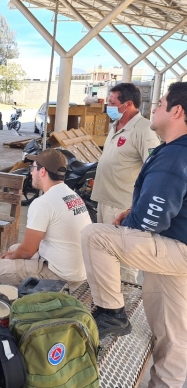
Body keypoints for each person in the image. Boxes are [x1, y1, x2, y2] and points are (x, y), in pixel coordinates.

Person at [81, 82, 187, 388]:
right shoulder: (174, 150)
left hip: (175, 247)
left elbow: (153, 216)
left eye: (162, 103)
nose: (155, 107)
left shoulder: (174, 156)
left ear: (177, 111)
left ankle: (112, 313)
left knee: (96, 236)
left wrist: (129, 225)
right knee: (173, 333)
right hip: (175, 246)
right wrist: (136, 210)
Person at [0, 149, 92, 290]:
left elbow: (28, 251)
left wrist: (10, 258)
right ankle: (19, 296)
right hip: (78, 270)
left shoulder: (43, 203)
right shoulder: (71, 195)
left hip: (60, 275)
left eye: (33, 168)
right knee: (13, 249)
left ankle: (6, 308)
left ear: (42, 171)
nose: (31, 172)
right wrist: (13, 255)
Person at [91, 83, 160, 283]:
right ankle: (108, 300)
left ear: (128, 104)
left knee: (124, 258)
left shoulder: (143, 129)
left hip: (122, 206)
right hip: (105, 200)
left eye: (112, 103)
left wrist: (136, 206)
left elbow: (152, 168)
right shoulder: (116, 126)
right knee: (104, 253)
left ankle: (125, 304)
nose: (108, 107)